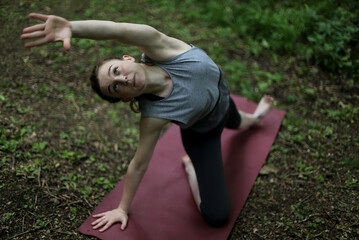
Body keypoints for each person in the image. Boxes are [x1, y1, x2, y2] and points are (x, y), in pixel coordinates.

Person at [22, 13, 274, 232]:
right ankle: (191, 168)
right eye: (116, 88)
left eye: (116, 72)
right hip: (202, 134)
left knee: (243, 122)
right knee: (216, 216)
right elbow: (138, 164)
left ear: (127, 59)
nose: (123, 81)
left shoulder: (161, 47)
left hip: (223, 103)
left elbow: (117, 29)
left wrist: (73, 28)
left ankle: (256, 116)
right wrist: (122, 209)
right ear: (125, 98)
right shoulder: (153, 115)